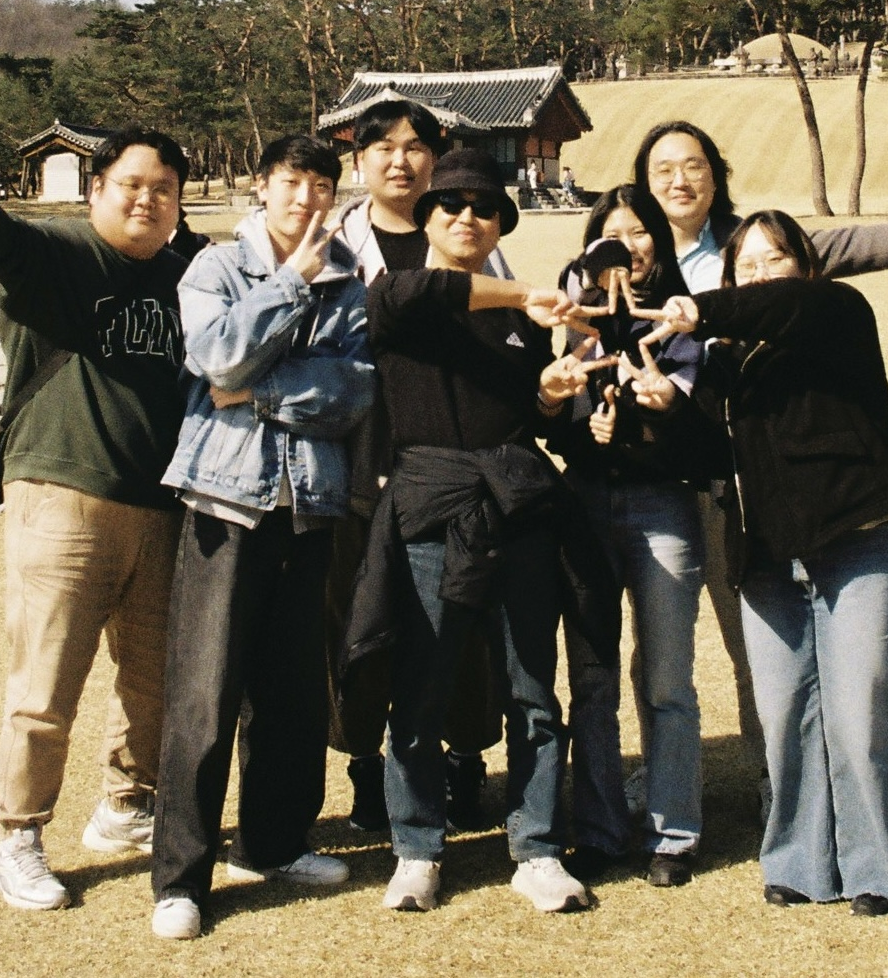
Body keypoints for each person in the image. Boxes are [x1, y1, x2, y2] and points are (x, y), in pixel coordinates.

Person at [631, 120, 888, 819]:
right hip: (654, 476)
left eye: (693, 164)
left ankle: (777, 780)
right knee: (659, 651)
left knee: (753, 641)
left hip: (738, 477)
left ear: (715, 174)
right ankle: (667, 783)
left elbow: (847, 249)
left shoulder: (754, 244)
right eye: (662, 168)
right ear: (644, 180)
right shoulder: (631, 251)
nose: (678, 180)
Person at [0, 107, 189, 912]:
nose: (147, 201)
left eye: (164, 189)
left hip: (162, 505)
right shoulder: (57, 253)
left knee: (152, 681)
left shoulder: (185, 272)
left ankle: (128, 806)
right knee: (46, 683)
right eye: (131, 185)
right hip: (63, 494)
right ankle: (16, 836)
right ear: (96, 189)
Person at [339, 147, 613, 914]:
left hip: (517, 509)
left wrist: (553, 394)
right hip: (430, 509)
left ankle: (534, 848)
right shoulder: (400, 294)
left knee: (531, 687)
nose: (466, 217)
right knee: (419, 688)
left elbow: (532, 417)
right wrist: (527, 292)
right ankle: (417, 847)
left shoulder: (523, 327)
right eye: (449, 205)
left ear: (499, 222)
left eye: (483, 208)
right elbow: (424, 289)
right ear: (425, 218)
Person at [660, 209, 888, 915]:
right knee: (784, 716)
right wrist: (662, 409)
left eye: (773, 259)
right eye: (744, 264)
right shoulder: (723, 361)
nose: (758, 274)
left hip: (856, 535)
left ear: (804, 266)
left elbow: (788, 304)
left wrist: (700, 307)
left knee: (860, 710)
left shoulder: (834, 311)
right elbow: (705, 461)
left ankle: (873, 873)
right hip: (768, 558)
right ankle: (799, 863)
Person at [150, 135, 375, 942]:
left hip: (308, 502)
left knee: (291, 690)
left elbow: (355, 391)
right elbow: (213, 354)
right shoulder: (215, 268)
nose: (308, 198)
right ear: (263, 186)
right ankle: (180, 876)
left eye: (322, 183)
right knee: (205, 693)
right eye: (293, 182)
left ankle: (275, 842)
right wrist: (288, 285)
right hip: (225, 499)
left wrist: (257, 389)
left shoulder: (350, 278)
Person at [329, 100, 511, 834]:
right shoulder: (335, 244)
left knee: (462, 624)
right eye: (383, 149)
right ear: (359, 161)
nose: (400, 161)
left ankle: (464, 759)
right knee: (362, 624)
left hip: (456, 469)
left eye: (415, 148)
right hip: (361, 463)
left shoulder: (473, 236)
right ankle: (366, 767)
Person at [545, 186, 715, 887]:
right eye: (610, 233)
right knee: (590, 678)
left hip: (662, 506)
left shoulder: (680, 315)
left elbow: (706, 431)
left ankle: (674, 832)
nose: (627, 245)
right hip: (585, 502)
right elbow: (555, 417)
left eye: (639, 231)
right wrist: (577, 417)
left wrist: (661, 412)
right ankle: (599, 826)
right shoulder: (576, 314)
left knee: (666, 677)